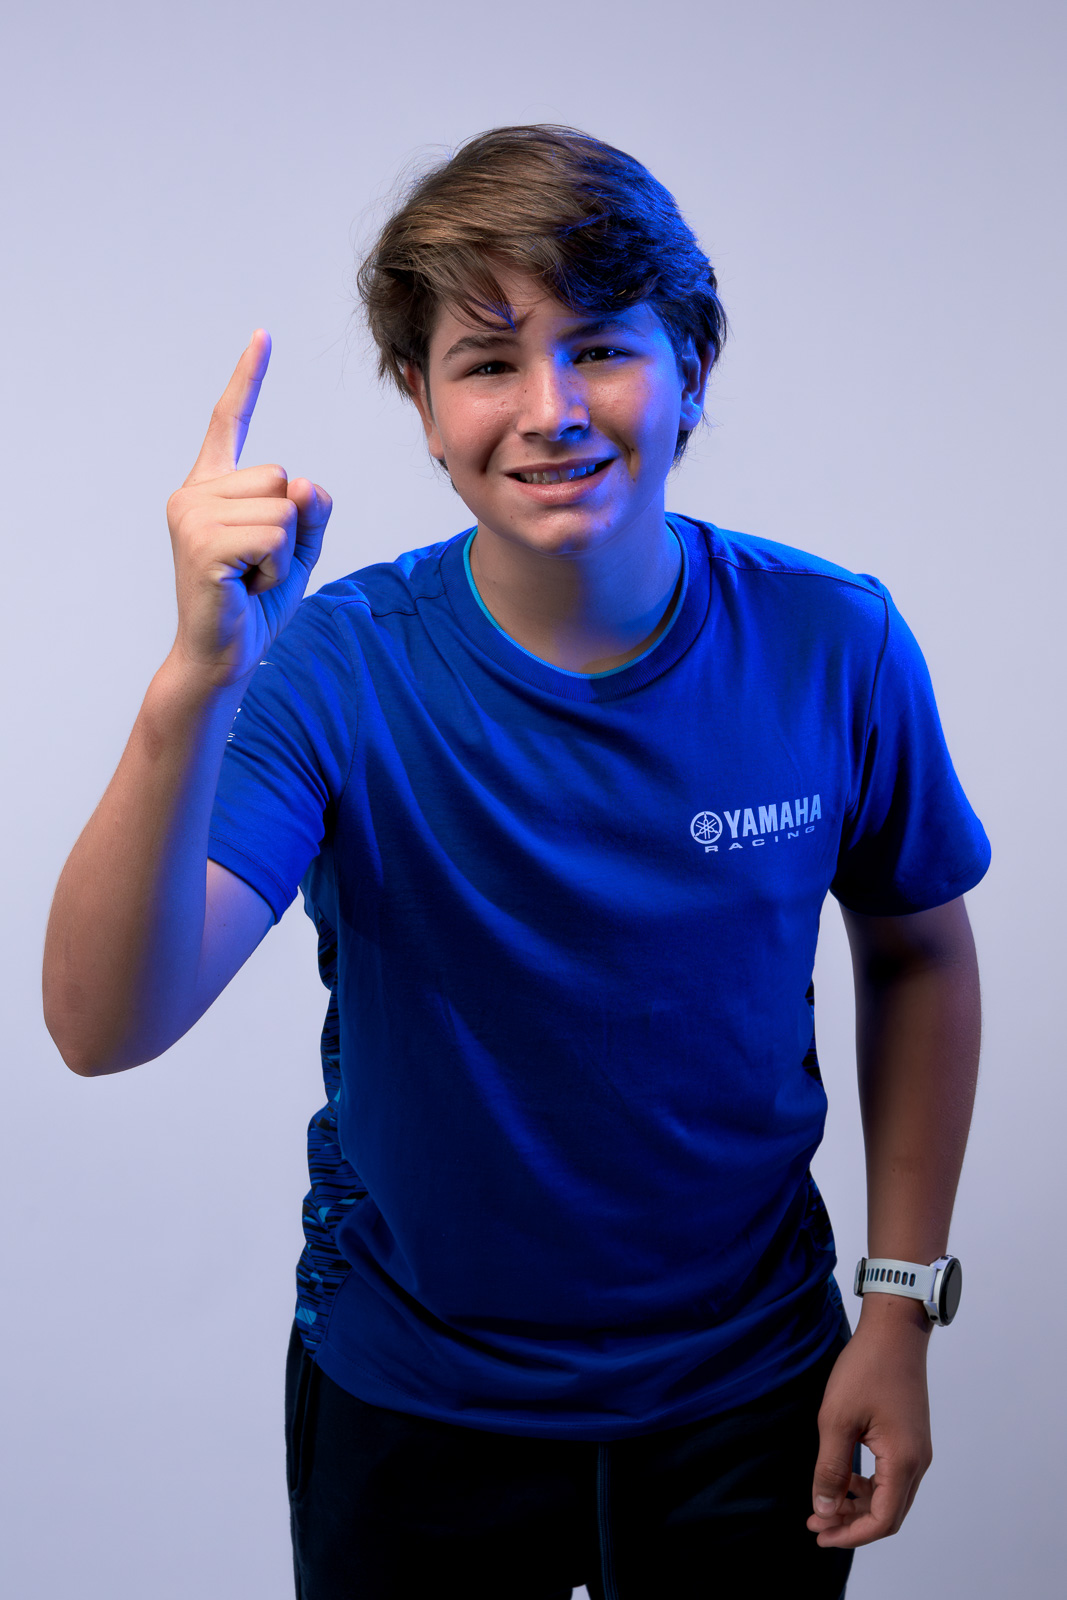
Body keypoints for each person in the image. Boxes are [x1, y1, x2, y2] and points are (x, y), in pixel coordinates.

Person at [43, 125, 989, 1600]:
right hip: (411, 1402)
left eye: (599, 347)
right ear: (421, 404)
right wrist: (193, 682)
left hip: (753, 1390)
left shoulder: (834, 641)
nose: (551, 410)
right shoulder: (339, 667)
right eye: (488, 362)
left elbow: (918, 949)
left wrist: (898, 1307)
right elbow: (103, 1024)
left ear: (690, 367)